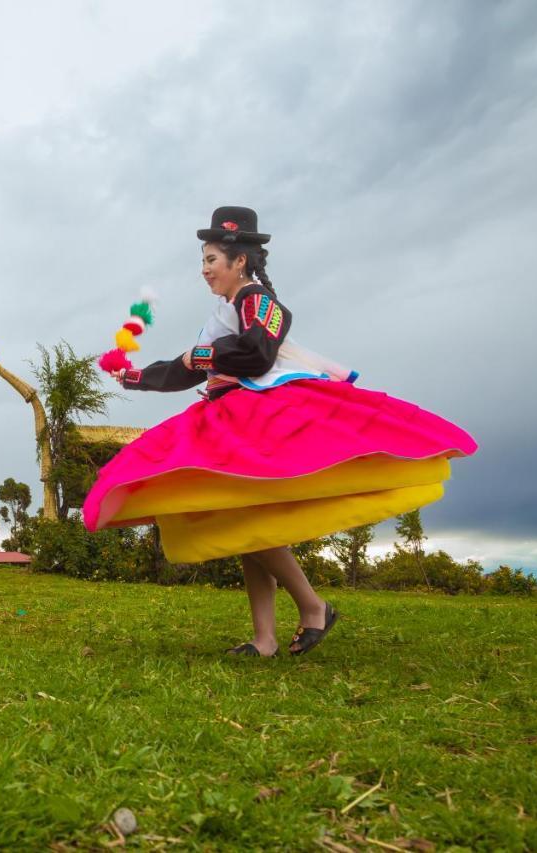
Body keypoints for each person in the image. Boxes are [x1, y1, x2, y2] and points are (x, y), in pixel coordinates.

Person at [83, 206, 477, 656]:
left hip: (259, 415)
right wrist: (133, 376)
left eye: (212, 259)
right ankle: (267, 637)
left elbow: (256, 353)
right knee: (247, 520)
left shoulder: (261, 301)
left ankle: (310, 608)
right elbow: (185, 369)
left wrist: (201, 358)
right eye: (204, 260)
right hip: (229, 413)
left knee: (246, 518)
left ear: (240, 261)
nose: (205, 269)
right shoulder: (226, 310)